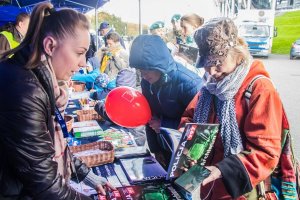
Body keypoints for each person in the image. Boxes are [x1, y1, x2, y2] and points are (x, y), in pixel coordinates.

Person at [0, 3, 114, 199]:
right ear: (50, 46)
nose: (83, 63)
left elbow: (46, 146)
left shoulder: (39, 81)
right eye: (79, 53)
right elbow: (45, 186)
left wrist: (87, 175)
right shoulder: (25, 92)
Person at [180, 17, 286, 199]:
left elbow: (266, 152)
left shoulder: (260, 89)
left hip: (240, 188)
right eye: (206, 64)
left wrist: (221, 170)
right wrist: (185, 134)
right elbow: (189, 117)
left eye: (218, 63)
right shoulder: (210, 87)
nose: (212, 72)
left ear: (238, 55)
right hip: (210, 183)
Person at [129, 35, 202, 169]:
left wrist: (164, 125)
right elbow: (149, 117)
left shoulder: (189, 83)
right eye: (140, 70)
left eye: (147, 68)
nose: (143, 74)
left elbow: (201, 127)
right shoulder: (147, 82)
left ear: (159, 64)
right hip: (163, 146)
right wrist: (155, 149)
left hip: (185, 152)